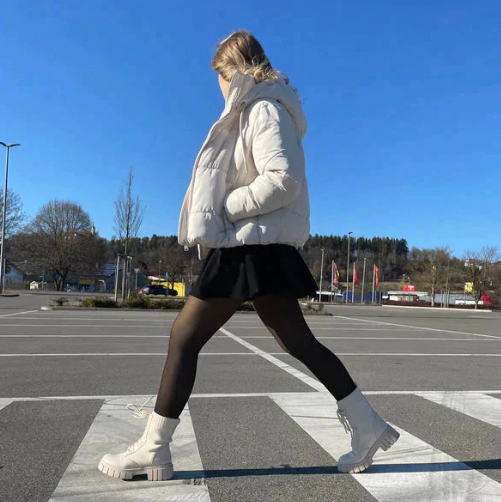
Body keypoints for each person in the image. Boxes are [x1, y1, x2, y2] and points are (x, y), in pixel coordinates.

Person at [98, 30, 399, 482]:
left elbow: (283, 180)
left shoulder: (264, 109)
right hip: (257, 246)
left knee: (185, 337)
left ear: (234, 71)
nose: (218, 86)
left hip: (249, 246)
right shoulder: (258, 109)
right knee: (297, 342)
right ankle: (367, 423)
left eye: (220, 76)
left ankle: (155, 449)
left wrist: (226, 207)